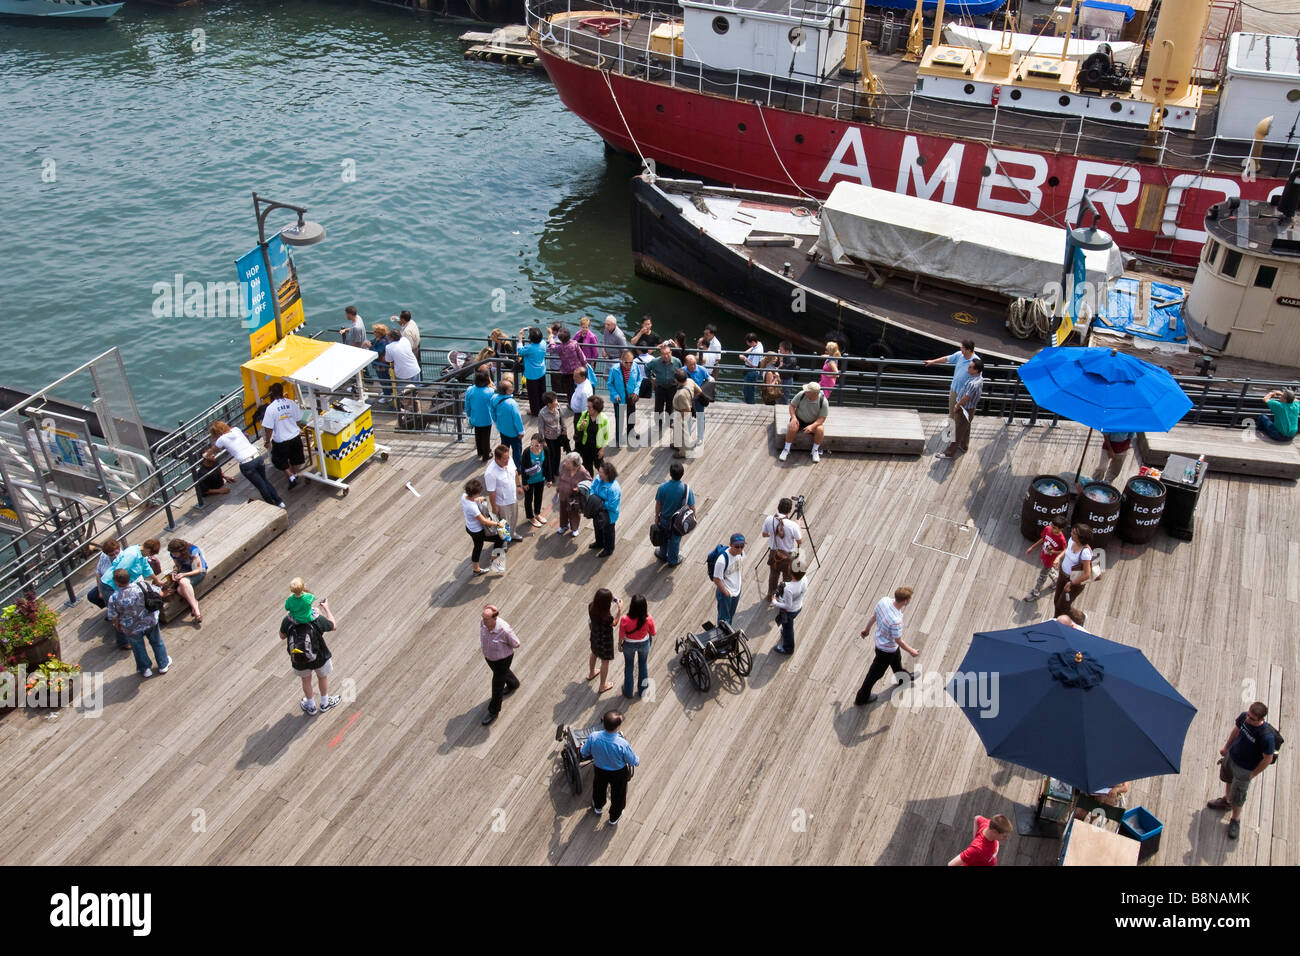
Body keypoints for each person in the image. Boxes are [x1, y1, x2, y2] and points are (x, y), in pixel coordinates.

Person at [1207, 701, 1278, 840]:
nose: (1248, 719)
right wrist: (1226, 747)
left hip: (1245, 768)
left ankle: (1235, 820)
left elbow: (1268, 759)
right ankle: (1227, 801)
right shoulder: (1245, 717)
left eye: (1252, 719)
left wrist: (1252, 774)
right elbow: (1236, 730)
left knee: (1238, 796)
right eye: (1248, 715)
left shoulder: (1266, 736)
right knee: (1227, 779)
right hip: (1232, 757)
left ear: (1261, 719)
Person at [854, 587, 920, 706]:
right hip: (886, 650)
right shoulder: (896, 620)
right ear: (905, 601)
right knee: (875, 674)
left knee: (896, 663)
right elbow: (898, 640)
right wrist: (912, 651)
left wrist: (867, 630)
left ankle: (903, 679)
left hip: (884, 644)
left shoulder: (884, 601)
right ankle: (861, 697)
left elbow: (874, 617)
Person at [279, 594, 339, 715]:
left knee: (306, 681)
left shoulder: (288, 621)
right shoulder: (317, 619)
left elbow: (282, 636)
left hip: (299, 657)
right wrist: (326, 608)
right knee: (322, 677)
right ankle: (324, 703)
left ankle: (310, 706)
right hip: (319, 656)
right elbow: (333, 625)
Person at [107, 568, 172, 675]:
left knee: (138, 647)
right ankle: (163, 664)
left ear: (116, 582)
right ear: (129, 578)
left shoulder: (113, 598)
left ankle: (145, 669)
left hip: (131, 627)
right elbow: (159, 594)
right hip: (149, 621)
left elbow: (113, 615)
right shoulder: (143, 586)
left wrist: (117, 625)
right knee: (157, 642)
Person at [581, 709, 639, 826]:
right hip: (618, 773)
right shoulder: (622, 744)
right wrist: (637, 760)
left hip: (600, 770)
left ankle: (598, 806)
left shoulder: (593, 737)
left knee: (599, 788)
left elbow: (584, 752)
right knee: (618, 795)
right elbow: (632, 760)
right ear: (618, 727)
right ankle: (614, 818)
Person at [209, 421, 284, 508]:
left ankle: (271, 505)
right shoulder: (236, 430)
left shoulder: (221, 439)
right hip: (257, 457)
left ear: (217, 432)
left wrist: (206, 455)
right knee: (264, 481)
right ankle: (279, 501)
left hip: (246, 463)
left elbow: (213, 450)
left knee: (261, 485)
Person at [479, 605, 521, 725]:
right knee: (502, 673)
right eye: (483, 618)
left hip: (502, 659)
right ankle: (513, 684)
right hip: (490, 658)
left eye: (486, 619)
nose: (483, 621)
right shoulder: (483, 624)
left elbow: (516, 643)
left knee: (497, 684)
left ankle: (493, 710)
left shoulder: (504, 630)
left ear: (494, 618)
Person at [260, 382, 306, 490]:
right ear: (282, 391)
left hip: (281, 440)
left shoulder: (270, 409)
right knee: (294, 458)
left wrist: (267, 441)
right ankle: (294, 475)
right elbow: (298, 419)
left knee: (278, 460)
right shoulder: (291, 403)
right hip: (294, 435)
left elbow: (268, 428)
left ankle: (291, 476)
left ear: (271, 393)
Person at [937, 356, 984, 460]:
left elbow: (965, 398)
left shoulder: (973, 384)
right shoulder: (979, 379)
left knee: (957, 432)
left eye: (970, 367)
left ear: (976, 370)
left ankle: (949, 453)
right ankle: (964, 446)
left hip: (964, 409)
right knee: (965, 428)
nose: (968, 368)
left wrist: (957, 406)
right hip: (970, 409)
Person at [924, 338, 980, 417]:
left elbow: (977, 380)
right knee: (952, 413)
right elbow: (947, 358)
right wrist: (933, 361)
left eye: (963, 348)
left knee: (961, 416)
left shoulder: (976, 362)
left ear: (968, 350)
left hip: (965, 394)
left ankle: (956, 428)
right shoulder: (960, 355)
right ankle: (951, 428)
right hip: (954, 390)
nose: (961, 349)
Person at [762, 497, 803, 602]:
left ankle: (770, 595)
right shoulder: (793, 525)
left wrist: (773, 534)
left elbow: (764, 534)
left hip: (774, 553)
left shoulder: (769, 519)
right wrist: (798, 526)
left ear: (778, 507)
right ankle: (784, 597)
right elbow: (799, 541)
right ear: (789, 511)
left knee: (773, 575)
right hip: (787, 556)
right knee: (787, 578)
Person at [653, 460, 695, 567]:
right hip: (678, 522)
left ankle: (663, 554)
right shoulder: (686, 489)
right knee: (675, 540)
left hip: (664, 519)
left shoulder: (662, 487)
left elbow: (658, 504)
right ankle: (673, 560)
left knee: (663, 537)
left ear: (670, 474)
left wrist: (657, 517)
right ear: (682, 474)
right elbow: (692, 506)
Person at [462, 477, 507, 575]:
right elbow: (484, 521)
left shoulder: (464, 496)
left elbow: (472, 500)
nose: (479, 494)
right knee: (500, 537)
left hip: (470, 528)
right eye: (478, 493)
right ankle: (495, 561)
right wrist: (498, 524)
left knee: (477, 546)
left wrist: (477, 499)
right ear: (473, 493)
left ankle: (476, 569)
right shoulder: (472, 508)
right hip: (478, 531)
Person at [780, 381, 829, 463]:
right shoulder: (801, 394)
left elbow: (822, 418)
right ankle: (786, 449)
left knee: (820, 429)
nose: (805, 391)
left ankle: (815, 450)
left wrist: (812, 426)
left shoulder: (823, 401)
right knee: (792, 427)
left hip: (813, 421)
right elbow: (792, 406)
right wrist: (793, 417)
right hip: (799, 418)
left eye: (808, 391)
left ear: (814, 393)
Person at [1023, 514, 1067, 603]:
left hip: (1050, 561)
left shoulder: (1061, 540)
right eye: (1052, 525)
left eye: (1054, 527)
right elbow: (1043, 539)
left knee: (1042, 577)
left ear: (1060, 529)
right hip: (1044, 556)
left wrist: (1054, 552)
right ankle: (1056, 580)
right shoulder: (1047, 529)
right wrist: (1032, 547)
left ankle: (1035, 593)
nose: (1051, 528)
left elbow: (1064, 551)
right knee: (1048, 570)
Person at [1052, 523, 1094, 617]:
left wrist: (1071, 583)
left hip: (1074, 582)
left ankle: (1080, 618)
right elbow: (1066, 550)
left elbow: (1087, 574)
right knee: (1056, 602)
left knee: (1063, 606)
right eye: (1073, 531)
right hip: (1063, 574)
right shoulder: (1071, 540)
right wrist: (1058, 558)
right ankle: (1055, 621)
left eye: (1074, 533)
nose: (1071, 533)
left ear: (1081, 537)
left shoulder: (1085, 552)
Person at [484, 444, 523, 544]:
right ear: (497, 459)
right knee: (504, 523)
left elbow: (515, 472)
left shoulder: (509, 460)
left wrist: (518, 486)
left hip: (513, 497)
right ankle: (504, 541)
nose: (507, 460)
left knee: (514, 518)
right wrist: (494, 507)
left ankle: (513, 533)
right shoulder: (490, 473)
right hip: (502, 502)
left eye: (508, 457)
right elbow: (491, 492)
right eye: (505, 459)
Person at [619, 594, 655, 698]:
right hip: (644, 644)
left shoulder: (625, 619)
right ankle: (642, 690)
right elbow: (653, 633)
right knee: (643, 665)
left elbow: (621, 635)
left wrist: (619, 645)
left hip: (629, 645)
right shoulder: (649, 619)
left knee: (629, 666)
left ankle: (628, 692)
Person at [587, 587, 622, 694]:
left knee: (594, 653)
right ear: (606, 604)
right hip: (605, 641)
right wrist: (619, 609)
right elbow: (615, 623)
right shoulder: (607, 617)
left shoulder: (591, 607)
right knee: (605, 662)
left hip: (594, 635)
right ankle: (602, 686)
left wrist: (611, 598)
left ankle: (591, 673)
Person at [770, 557, 808, 655]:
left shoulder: (788, 588)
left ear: (790, 572)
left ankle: (788, 648)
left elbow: (787, 605)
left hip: (789, 612)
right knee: (787, 626)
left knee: (788, 630)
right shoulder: (804, 579)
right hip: (798, 606)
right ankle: (785, 631)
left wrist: (775, 602)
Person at [166, 538, 207, 623]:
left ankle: (196, 611)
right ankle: (195, 605)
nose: (173, 555)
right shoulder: (173, 554)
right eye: (172, 553)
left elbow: (199, 569)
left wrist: (184, 575)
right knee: (179, 589)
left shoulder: (193, 551)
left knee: (182, 583)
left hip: (198, 572)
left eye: (175, 553)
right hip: (185, 570)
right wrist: (175, 572)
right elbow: (177, 565)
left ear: (181, 550)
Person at [947, 814, 1012, 866]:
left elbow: (977, 817)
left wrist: (975, 838)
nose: (1006, 838)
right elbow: (951, 864)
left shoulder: (987, 823)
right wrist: (976, 843)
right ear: (994, 832)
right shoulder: (977, 849)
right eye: (1004, 836)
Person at [606, 349, 643, 441]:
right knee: (620, 417)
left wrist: (636, 392)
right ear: (621, 360)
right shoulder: (614, 369)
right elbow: (610, 384)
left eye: (631, 362)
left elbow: (639, 379)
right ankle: (619, 435)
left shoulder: (635, 366)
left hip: (631, 397)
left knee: (631, 415)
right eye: (626, 362)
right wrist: (615, 395)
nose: (629, 365)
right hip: (619, 398)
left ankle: (631, 431)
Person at [490, 378, 525, 471]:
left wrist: (497, 421)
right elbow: (517, 419)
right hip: (514, 433)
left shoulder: (494, 398)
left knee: (504, 448)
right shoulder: (512, 404)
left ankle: (502, 464)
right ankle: (517, 468)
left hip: (502, 429)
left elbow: (492, 411)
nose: (513, 388)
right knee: (517, 451)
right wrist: (521, 431)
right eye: (511, 387)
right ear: (507, 391)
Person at [588, 460, 621, 557]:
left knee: (608, 532)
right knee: (597, 527)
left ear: (607, 474)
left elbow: (612, 505)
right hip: (597, 509)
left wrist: (598, 503)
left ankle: (608, 549)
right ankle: (599, 543)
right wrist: (593, 497)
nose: (599, 473)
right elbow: (592, 488)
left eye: (601, 472)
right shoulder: (599, 478)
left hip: (608, 514)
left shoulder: (614, 488)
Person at [554, 452, 591, 538]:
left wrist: (579, 489)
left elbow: (589, 482)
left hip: (574, 498)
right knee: (563, 511)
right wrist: (558, 487)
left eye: (568, 463)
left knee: (574, 512)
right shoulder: (564, 467)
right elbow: (561, 477)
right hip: (563, 494)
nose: (565, 464)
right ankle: (563, 526)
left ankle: (575, 529)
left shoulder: (583, 471)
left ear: (575, 464)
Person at [712, 533, 746, 626]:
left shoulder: (741, 553)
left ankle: (728, 632)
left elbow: (740, 566)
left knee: (730, 615)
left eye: (742, 546)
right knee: (723, 619)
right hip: (726, 593)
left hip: (737, 590)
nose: (739, 549)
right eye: (737, 546)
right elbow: (716, 579)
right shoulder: (722, 560)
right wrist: (726, 593)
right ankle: (722, 637)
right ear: (731, 545)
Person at [574, 394, 611, 475]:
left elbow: (606, 437)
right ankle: (589, 483)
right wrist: (582, 425)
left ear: (596, 409)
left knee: (600, 466)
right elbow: (578, 427)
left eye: (589, 407)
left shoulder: (603, 418)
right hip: (586, 446)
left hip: (597, 447)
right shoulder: (585, 414)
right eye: (587, 406)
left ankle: (605, 482)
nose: (588, 409)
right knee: (587, 467)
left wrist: (602, 450)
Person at [646, 342, 683, 421]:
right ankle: (658, 423)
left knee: (671, 405)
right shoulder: (655, 362)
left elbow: (681, 371)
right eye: (663, 354)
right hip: (660, 386)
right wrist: (651, 378)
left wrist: (680, 383)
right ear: (660, 354)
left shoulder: (677, 361)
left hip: (672, 387)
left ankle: (670, 422)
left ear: (671, 353)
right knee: (658, 407)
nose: (665, 356)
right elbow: (647, 367)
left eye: (667, 353)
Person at [465, 369, 497, 462]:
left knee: (477, 434)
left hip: (475, 417)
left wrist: (468, 414)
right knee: (486, 437)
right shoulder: (491, 391)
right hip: (487, 418)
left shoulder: (470, 390)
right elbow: (494, 404)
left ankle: (480, 452)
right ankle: (486, 455)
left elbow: (467, 404)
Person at [518, 326, 549, 417]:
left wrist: (520, 337)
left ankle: (535, 411)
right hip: (541, 371)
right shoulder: (543, 343)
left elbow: (520, 351)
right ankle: (543, 407)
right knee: (542, 391)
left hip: (531, 374)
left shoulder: (529, 348)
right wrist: (533, 329)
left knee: (533, 394)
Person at [538, 390, 568, 483]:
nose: (557, 402)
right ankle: (549, 475)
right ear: (548, 404)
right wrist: (543, 440)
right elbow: (540, 428)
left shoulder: (558, 408)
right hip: (549, 438)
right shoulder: (542, 413)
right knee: (550, 457)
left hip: (558, 435)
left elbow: (562, 419)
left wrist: (564, 430)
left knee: (557, 455)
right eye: (555, 401)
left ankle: (556, 471)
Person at [548, 327, 584, 402]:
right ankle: (579, 402)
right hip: (577, 370)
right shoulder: (574, 343)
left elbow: (552, 348)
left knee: (569, 390)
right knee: (578, 387)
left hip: (566, 372)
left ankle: (571, 404)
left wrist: (551, 339)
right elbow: (581, 355)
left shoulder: (560, 347)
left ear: (560, 339)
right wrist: (585, 364)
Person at [85, 538, 123, 608]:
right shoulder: (103, 556)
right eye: (111, 555)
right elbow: (98, 573)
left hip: (118, 587)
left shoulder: (123, 558)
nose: (116, 556)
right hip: (105, 584)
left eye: (117, 553)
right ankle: (110, 608)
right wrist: (100, 591)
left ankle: (115, 610)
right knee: (91, 596)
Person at [670, 368, 700, 458]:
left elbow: (686, 410)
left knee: (683, 433)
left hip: (682, 414)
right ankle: (676, 444)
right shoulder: (690, 381)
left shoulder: (681, 394)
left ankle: (683, 452)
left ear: (676, 380)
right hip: (681, 411)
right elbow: (699, 391)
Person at [522, 434, 547, 529]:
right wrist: (524, 482)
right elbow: (523, 467)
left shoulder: (544, 450)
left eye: (536, 445)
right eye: (532, 444)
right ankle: (530, 517)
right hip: (530, 480)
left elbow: (547, 464)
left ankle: (537, 513)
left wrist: (549, 478)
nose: (533, 447)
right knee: (528, 499)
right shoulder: (527, 452)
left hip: (540, 479)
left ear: (541, 444)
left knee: (538, 497)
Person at [367, 321, 395, 407]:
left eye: (375, 331)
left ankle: (388, 395)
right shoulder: (379, 339)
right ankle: (387, 391)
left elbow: (378, 352)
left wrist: (370, 347)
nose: (373, 332)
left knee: (384, 379)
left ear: (379, 333)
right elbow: (374, 342)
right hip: (378, 364)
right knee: (383, 379)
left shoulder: (384, 341)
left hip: (381, 365)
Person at [741, 333, 764, 403]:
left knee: (748, 391)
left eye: (749, 343)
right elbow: (752, 348)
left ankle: (750, 405)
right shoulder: (759, 343)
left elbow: (755, 365)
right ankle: (749, 403)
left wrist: (744, 358)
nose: (748, 345)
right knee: (747, 389)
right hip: (750, 371)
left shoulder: (757, 351)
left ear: (753, 342)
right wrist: (745, 352)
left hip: (751, 372)